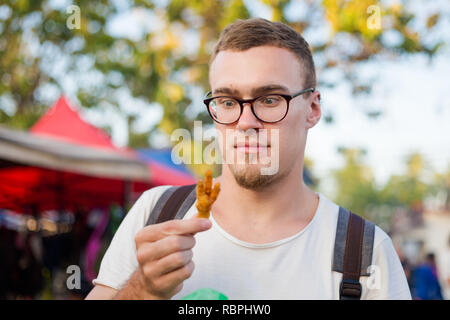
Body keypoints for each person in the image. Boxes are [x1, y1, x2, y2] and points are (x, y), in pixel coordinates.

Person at [85, 18, 411, 300]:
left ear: (312, 109)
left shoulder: (366, 253)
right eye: (227, 101)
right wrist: (142, 289)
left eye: (269, 99)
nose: (245, 122)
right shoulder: (156, 216)